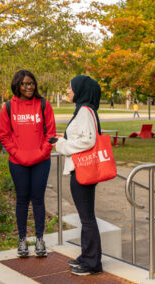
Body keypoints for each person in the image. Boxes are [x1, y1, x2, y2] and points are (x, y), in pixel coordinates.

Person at [0, 70, 56, 258]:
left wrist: (41, 153)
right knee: (22, 199)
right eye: (24, 84)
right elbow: (4, 135)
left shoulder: (44, 104)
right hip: (18, 162)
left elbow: (51, 134)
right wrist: (16, 154)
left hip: (41, 161)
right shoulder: (8, 107)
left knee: (38, 199)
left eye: (31, 83)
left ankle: (40, 239)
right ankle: (22, 240)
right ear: (17, 85)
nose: (29, 87)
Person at [55, 75, 103, 276]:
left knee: (87, 218)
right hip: (81, 169)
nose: (68, 90)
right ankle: (87, 256)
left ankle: (92, 263)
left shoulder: (84, 111)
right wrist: (63, 139)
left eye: (70, 87)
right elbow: (84, 137)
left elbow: (89, 141)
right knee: (86, 218)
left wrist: (61, 145)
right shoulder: (84, 109)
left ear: (81, 90)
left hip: (82, 170)